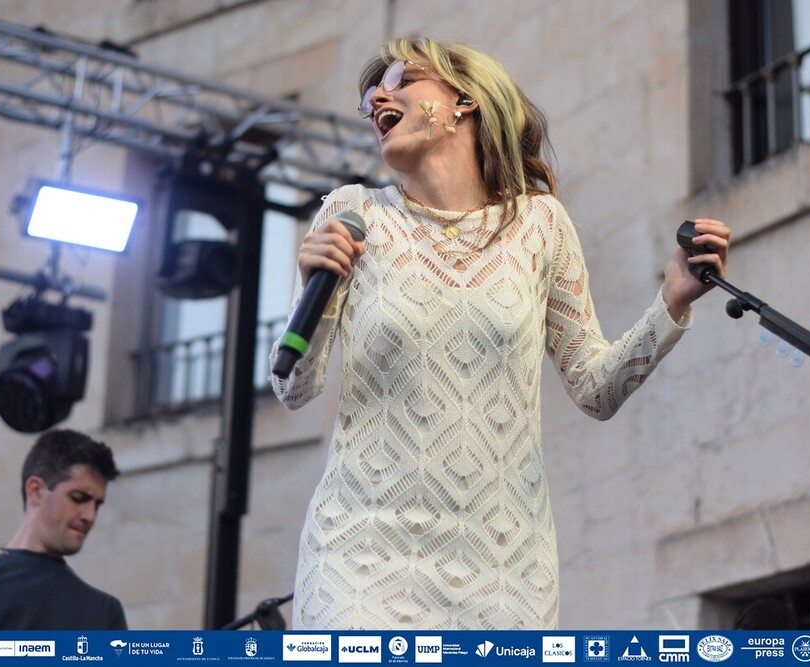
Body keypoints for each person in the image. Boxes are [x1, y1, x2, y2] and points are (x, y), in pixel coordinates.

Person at [269, 37, 731, 630]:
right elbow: (292, 388)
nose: (379, 97)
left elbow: (595, 389)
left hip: (504, 565)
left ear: (464, 99)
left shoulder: (540, 225)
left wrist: (669, 303)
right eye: (370, 96)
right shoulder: (355, 215)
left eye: (401, 79)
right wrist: (316, 283)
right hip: (360, 556)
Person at [0, 429, 127, 630]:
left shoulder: (106, 612)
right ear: (36, 491)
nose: (90, 516)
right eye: (79, 498)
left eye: (97, 504)